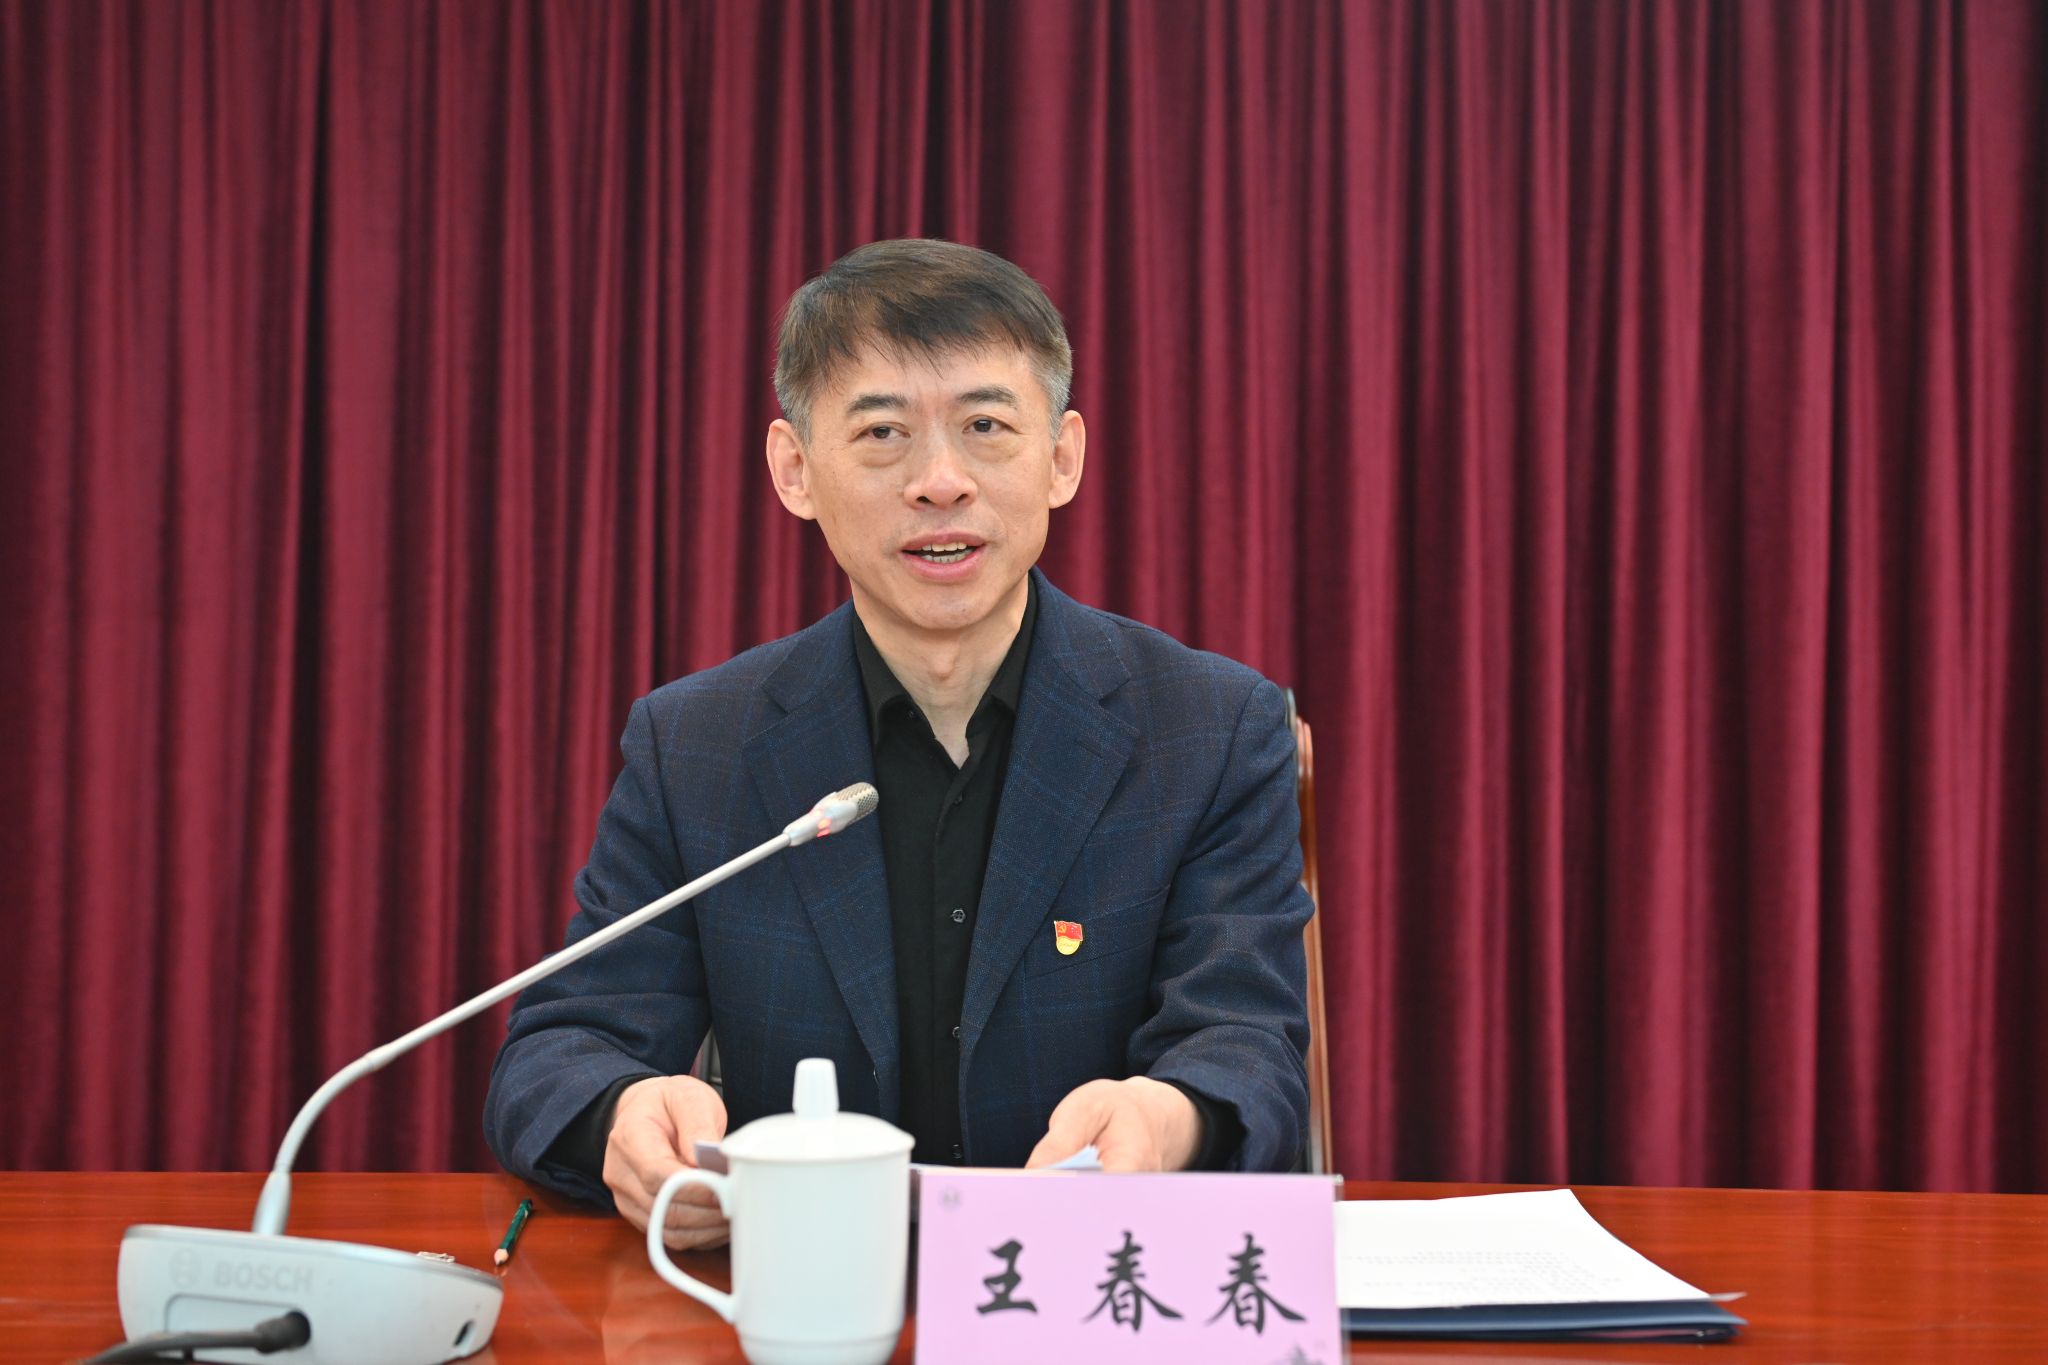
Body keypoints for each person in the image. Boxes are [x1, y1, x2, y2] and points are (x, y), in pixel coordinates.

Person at [484, 239, 1311, 1250]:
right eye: (882, 433)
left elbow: (1248, 1046)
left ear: (1061, 458)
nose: (939, 482)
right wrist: (625, 1115)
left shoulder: (1208, 729)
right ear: (794, 470)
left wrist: (1165, 1118)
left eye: (985, 426)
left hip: (1085, 1285)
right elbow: (561, 1049)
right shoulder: (697, 744)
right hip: (796, 1286)